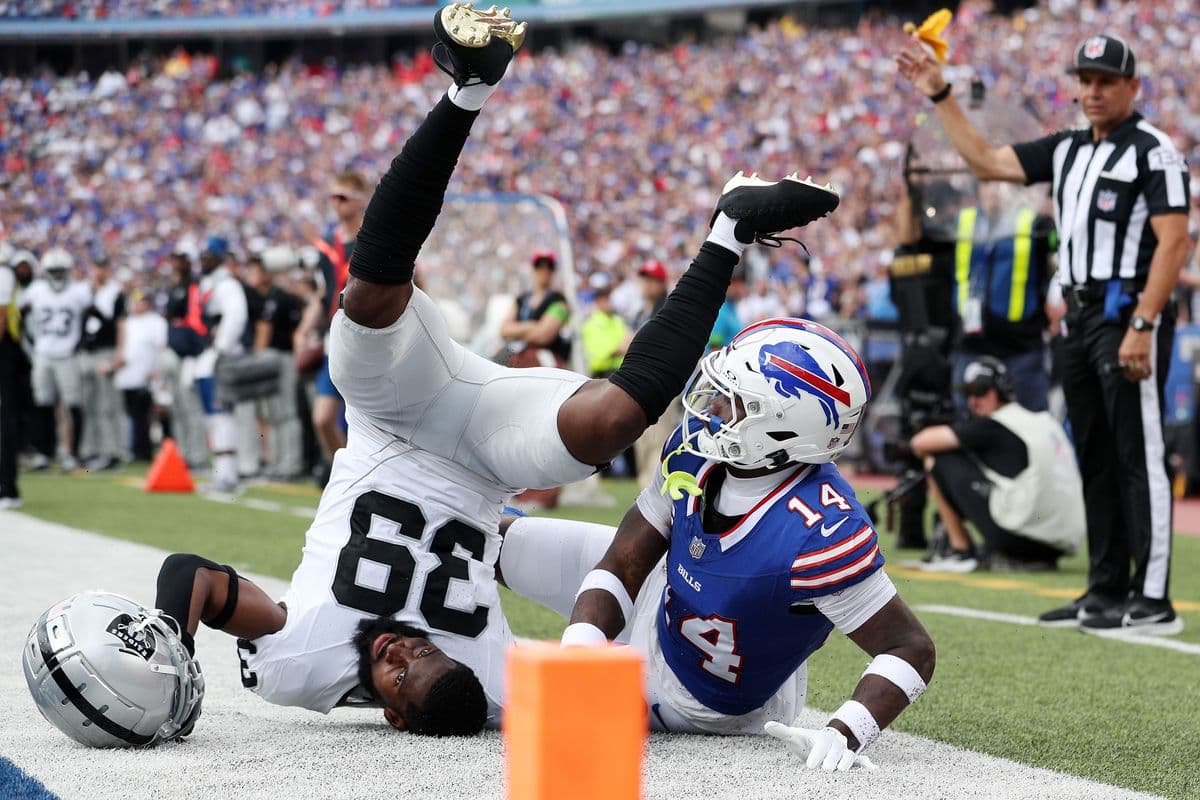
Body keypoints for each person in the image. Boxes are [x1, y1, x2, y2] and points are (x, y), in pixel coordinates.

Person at [23, 4, 841, 744]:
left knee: (370, 301)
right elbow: (604, 695)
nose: (405, 652)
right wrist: (742, 693)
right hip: (489, 460)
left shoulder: (296, 666)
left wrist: (172, 638)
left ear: (387, 708)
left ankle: (468, 89)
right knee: (611, 422)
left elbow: (191, 576)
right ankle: (725, 227)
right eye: (423, 662)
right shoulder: (487, 685)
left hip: (393, 421)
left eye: (398, 673)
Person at [897, 34, 1191, 634]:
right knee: (1096, 455)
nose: (1092, 91)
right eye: (1084, 80)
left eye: (1105, 81)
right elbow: (987, 161)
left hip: (1125, 312)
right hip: (1080, 319)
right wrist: (941, 94)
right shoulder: (1068, 150)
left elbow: (1175, 241)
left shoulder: (1153, 152)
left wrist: (1143, 322)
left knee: (1139, 455)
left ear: (1133, 87)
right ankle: (1106, 590)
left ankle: (1154, 599)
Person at [553, 318, 934, 771]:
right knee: (499, 539)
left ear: (782, 427)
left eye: (735, 401)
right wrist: (581, 648)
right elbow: (624, 562)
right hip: (668, 604)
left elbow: (910, 647)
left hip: (703, 701)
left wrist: (848, 729)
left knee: (506, 702)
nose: (712, 407)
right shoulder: (697, 452)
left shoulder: (820, 529)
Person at [910, 356, 1085, 572]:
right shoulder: (1044, 420)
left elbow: (920, 442)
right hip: (1062, 542)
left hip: (1020, 538)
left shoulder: (993, 425)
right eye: (968, 394)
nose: (973, 401)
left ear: (1002, 391)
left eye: (981, 391)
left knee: (938, 457)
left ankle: (960, 550)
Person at [950, 184, 1056, 412]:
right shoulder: (962, 221)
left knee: (1030, 419)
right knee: (968, 418)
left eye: (1001, 182)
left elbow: (1058, 243)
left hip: (1021, 345)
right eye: (987, 182)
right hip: (973, 341)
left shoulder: (1034, 222)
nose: (995, 191)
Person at [309, 170, 368, 478]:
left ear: (360, 201)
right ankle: (347, 477)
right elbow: (323, 293)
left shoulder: (373, 239)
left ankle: (365, 480)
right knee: (322, 418)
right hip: (335, 338)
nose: (336, 203)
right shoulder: (328, 246)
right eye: (333, 197)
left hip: (366, 342)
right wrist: (304, 329)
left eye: (342, 197)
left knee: (365, 421)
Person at [21, 248, 92, 472]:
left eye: (61, 271)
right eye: (53, 271)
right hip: (43, 353)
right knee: (43, 404)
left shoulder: (79, 292)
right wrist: (30, 341)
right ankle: (44, 453)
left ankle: (72, 454)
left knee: (73, 405)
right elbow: (20, 316)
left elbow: (93, 318)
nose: (58, 276)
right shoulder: (36, 290)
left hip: (68, 354)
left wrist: (81, 343)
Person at [195, 236, 249, 492]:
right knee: (213, 417)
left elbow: (236, 316)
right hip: (208, 355)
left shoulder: (226, 284)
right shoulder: (211, 283)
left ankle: (227, 475)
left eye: (208, 256)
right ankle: (222, 472)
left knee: (221, 415)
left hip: (219, 356)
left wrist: (221, 349)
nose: (204, 260)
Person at [78, 254, 127, 470]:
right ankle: (91, 450)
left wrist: (119, 354)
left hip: (105, 351)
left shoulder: (115, 293)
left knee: (107, 405)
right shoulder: (83, 291)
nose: (99, 271)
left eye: (103, 267)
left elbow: (120, 325)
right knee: (88, 405)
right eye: (96, 266)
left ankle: (111, 452)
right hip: (86, 352)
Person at [0, 248, 36, 509]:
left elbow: (1, 319)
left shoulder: (3, 274)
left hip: (6, 356)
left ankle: (8, 488)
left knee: (5, 423)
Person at [498, 249, 572, 368]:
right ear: (533, 269)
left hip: (546, 361)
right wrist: (533, 326)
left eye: (549, 266)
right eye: (539, 266)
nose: (544, 270)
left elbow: (544, 336)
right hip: (516, 357)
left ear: (554, 271)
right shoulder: (521, 299)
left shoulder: (559, 301)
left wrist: (516, 331)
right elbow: (503, 330)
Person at [579, 272, 630, 379]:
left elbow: (629, 341)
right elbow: (604, 354)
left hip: (621, 371)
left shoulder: (617, 319)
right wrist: (621, 348)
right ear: (597, 301)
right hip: (604, 375)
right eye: (604, 297)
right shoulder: (591, 323)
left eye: (608, 296)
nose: (608, 301)